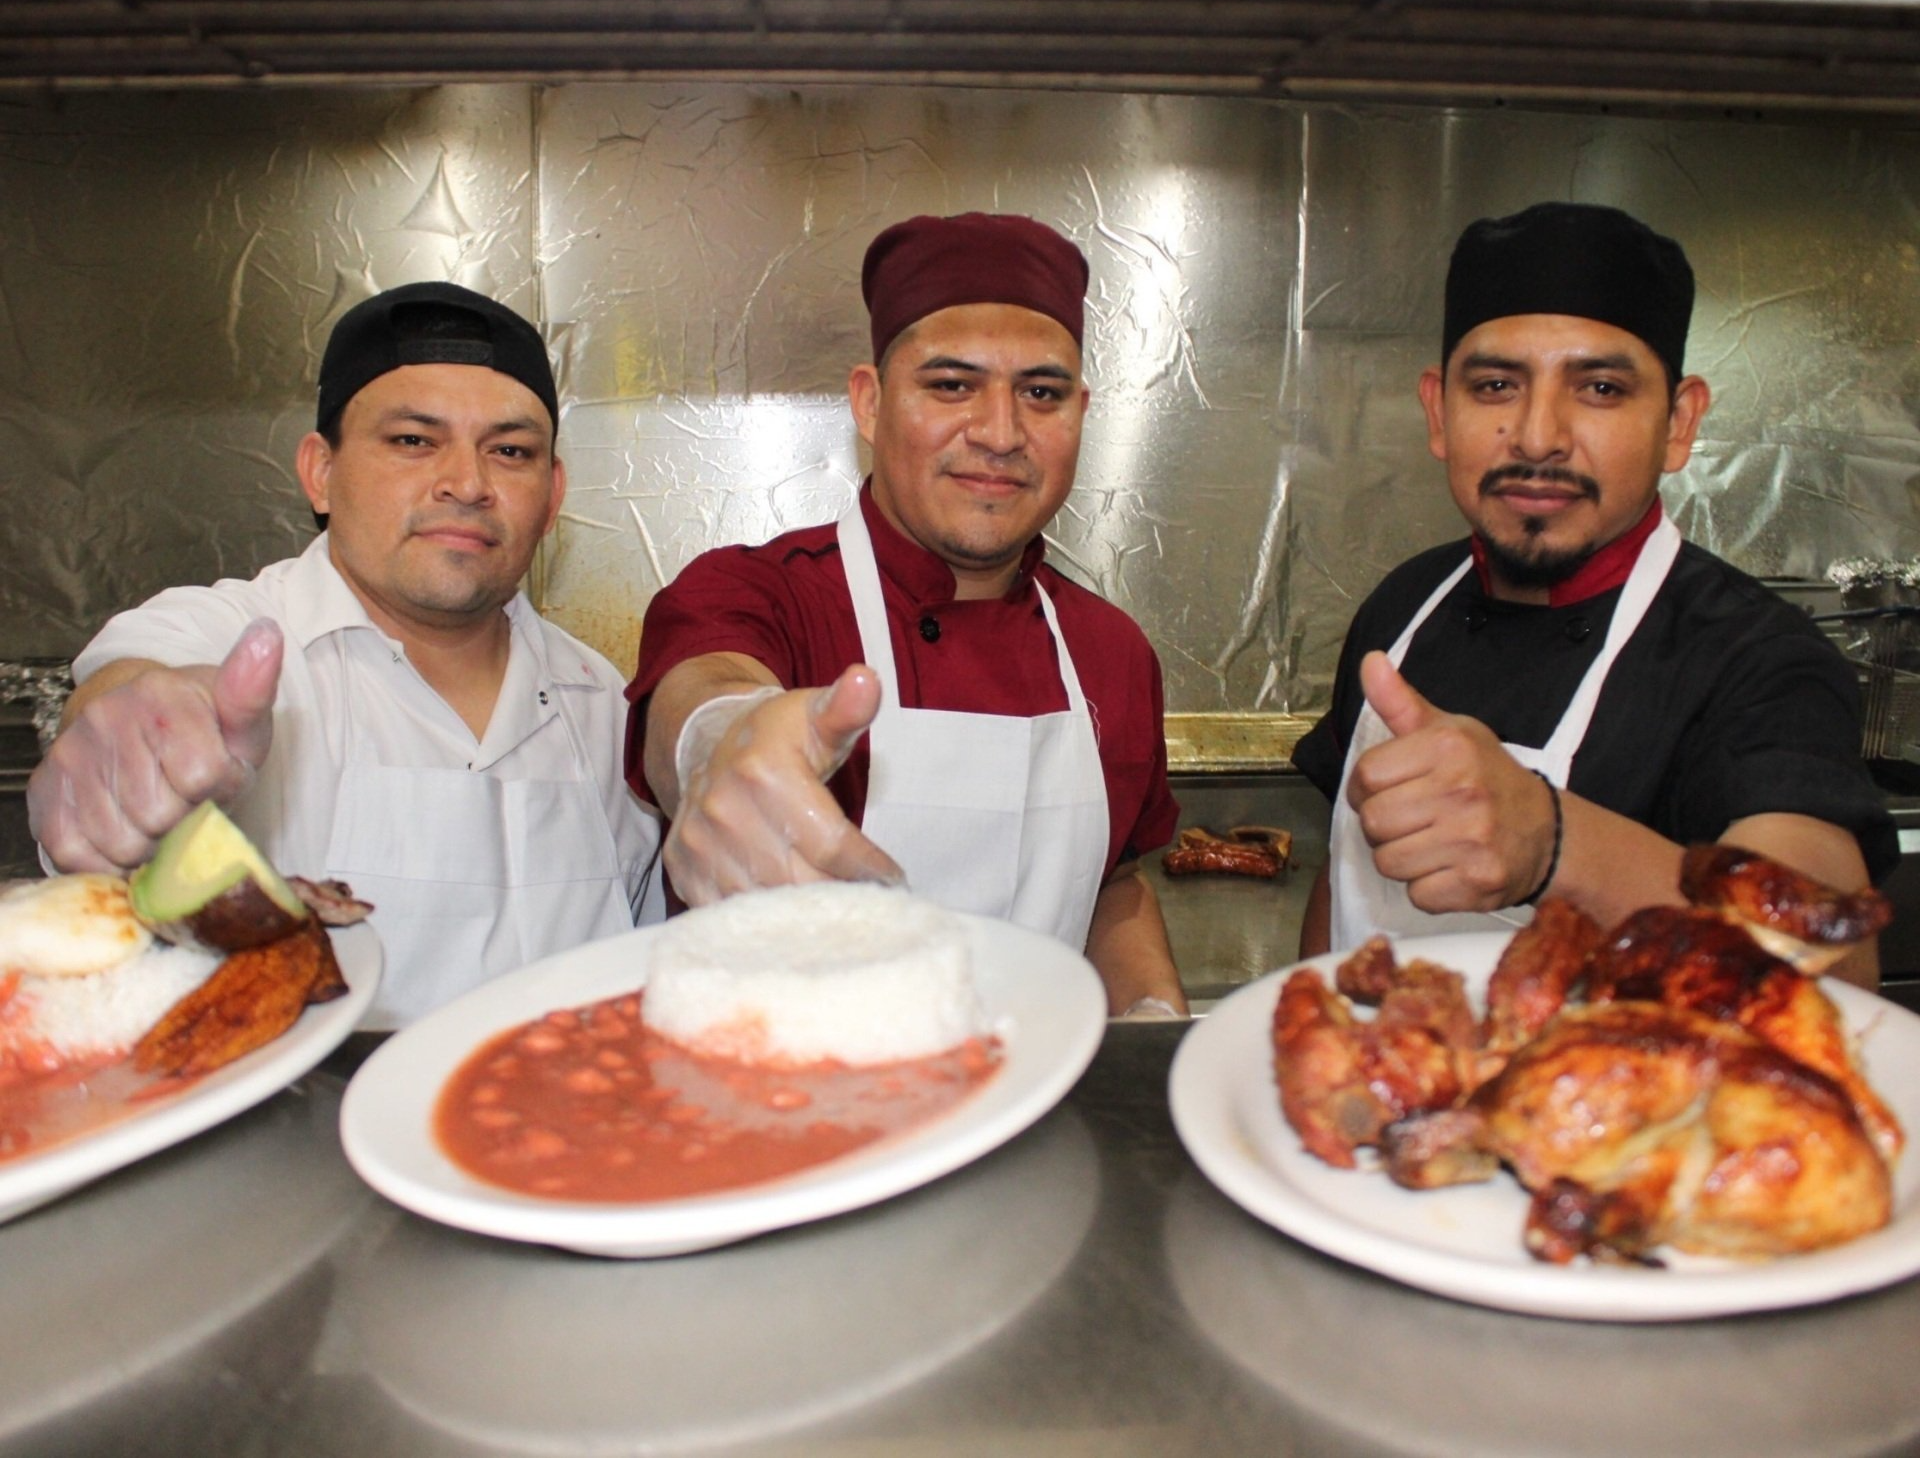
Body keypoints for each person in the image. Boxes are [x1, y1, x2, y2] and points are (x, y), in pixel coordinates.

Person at [29, 282, 664, 1026]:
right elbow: (132, 686)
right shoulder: (235, 637)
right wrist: (132, 737)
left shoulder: (606, 701)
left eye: (510, 451)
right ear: (320, 473)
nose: (467, 483)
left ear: (552, 495)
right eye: (413, 441)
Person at [1292, 202, 1896, 980]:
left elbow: (1832, 960)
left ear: (1678, 423)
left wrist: (1554, 843)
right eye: (1496, 385)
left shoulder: (1762, 662)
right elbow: (1340, 878)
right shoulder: (1403, 604)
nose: (1539, 436)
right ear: (1439, 413)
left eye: (1602, 388)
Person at [627, 212, 1187, 1017]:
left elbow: (1114, 886)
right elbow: (705, 688)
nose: (1000, 433)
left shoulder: (1113, 652)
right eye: (952, 385)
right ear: (869, 402)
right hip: (774, 1082)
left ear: (1081, 413)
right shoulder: (757, 593)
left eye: (1041, 393)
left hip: (1032, 1080)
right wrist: (719, 742)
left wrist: (1154, 1031)